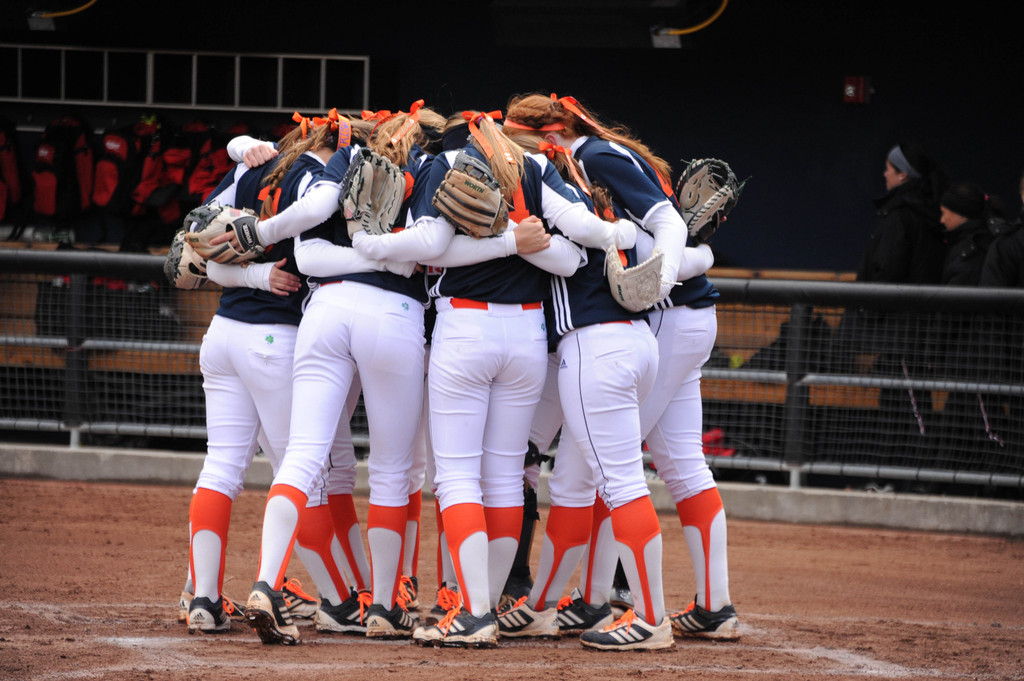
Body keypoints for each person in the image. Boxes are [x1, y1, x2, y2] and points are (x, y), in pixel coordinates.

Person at [350, 110, 637, 648]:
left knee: (457, 478)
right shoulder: (535, 166)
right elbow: (575, 254)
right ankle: (494, 608)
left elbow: (431, 244)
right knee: (505, 478)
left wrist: (372, 246)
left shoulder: (447, 161)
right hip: (527, 333)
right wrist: (612, 232)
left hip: (464, 328)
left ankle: (474, 611)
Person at [492, 93, 728, 649]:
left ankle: (637, 613)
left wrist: (506, 239)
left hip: (612, 338)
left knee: (601, 479)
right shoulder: (580, 179)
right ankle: (559, 602)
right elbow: (634, 236)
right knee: (624, 472)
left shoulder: (567, 176)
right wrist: (697, 258)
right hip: (644, 336)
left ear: (547, 140)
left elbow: (592, 248)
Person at [238, 103, 445, 645]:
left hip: (324, 313)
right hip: (394, 317)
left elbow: (309, 259)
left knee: (303, 456)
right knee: (394, 470)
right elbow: (432, 246)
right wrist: (385, 260)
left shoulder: (345, 156)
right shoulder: (427, 167)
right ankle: (381, 606)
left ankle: (266, 580)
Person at [182, 114, 375, 635]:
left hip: (223, 333)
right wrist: (265, 269)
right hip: (278, 339)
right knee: (303, 475)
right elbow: (317, 206)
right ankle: (336, 600)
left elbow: (194, 250)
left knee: (220, 468)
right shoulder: (313, 170)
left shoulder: (250, 169)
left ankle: (203, 599)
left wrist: (250, 272)